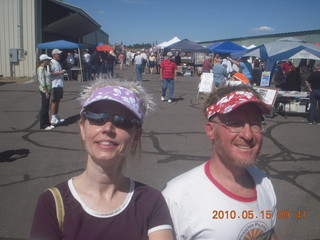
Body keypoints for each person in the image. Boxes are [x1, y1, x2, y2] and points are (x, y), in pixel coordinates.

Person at [30, 79, 174, 240]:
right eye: (97, 116)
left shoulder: (151, 202)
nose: (107, 128)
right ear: (83, 128)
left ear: (136, 137)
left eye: (123, 120)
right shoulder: (53, 203)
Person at [163, 85, 278, 240]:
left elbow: (269, 233)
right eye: (235, 123)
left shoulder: (264, 183)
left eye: (255, 123)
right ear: (210, 130)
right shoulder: (177, 198)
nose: (248, 135)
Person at [37, 54, 54, 130]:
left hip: (48, 89)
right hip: (44, 90)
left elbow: (49, 75)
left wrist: (49, 67)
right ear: (44, 60)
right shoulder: (40, 69)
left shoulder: (45, 68)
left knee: (47, 107)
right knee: (44, 107)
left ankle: (47, 123)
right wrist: (46, 92)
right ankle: (43, 125)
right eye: (47, 60)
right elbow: (42, 81)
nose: (49, 61)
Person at [50, 49, 66, 125]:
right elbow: (50, 73)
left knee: (58, 100)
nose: (59, 55)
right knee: (54, 101)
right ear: (53, 55)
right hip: (54, 85)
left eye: (59, 54)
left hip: (59, 84)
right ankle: (53, 117)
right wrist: (60, 73)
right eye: (58, 54)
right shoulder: (51, 63)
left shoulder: (58, 63)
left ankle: (56, 115)